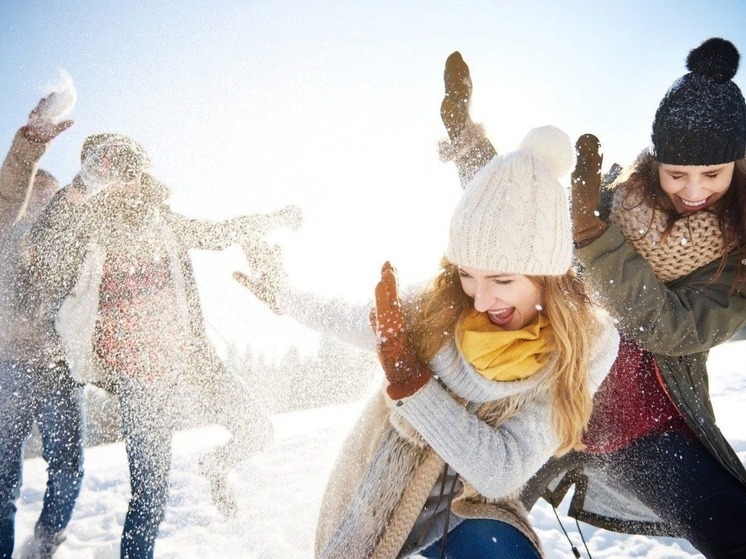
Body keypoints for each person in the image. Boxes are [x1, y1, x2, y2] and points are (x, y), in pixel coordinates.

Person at [236, 125, 620, 558]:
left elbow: (500, 470)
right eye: (467, 274)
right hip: (383, 494)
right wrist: (281, 296)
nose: (481, 297)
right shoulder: (439, 307)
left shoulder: (587, 344)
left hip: (470, 508)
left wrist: (411, 384)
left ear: (547, 275)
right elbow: (346, 315)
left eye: (502, 279)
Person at [439, 39, 746, 558]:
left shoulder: (735, 260)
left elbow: (669, 330)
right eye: (677, 174)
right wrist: (464, 134)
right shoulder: (608, 201)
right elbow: (513, 217)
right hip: (546, 411)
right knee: (467, 533)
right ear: (654, 164)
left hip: (645, 433)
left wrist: (593, 240)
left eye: (712, 175)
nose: (694, 191)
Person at [27, 132, 300, 559]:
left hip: (191, 359)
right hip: (139, 380)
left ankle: (215, 465)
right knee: (150, 497)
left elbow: (218, 232)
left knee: (257, 429)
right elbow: (45, 243)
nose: (126, 179)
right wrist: (83, 185)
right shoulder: (83, 232)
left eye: (131, 167)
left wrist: (274, 218)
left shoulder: (163, 219)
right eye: (110, 169)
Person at [0, 94, 83, 559]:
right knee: (0, 476)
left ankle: (47, 540)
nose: (40, 206)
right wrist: (29, 145)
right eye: (37, 194)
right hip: (7, 364)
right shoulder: (4, 228)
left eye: (50, 199)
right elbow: (9, 191)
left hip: (57, 364)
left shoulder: (67, 244)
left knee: (68, 466)